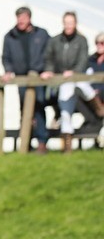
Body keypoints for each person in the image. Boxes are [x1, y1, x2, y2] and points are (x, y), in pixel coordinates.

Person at [41, 11, 100, 152]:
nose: (68, 26)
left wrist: (75, 72)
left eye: (71, 23)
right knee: (65, 107)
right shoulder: (55, 41)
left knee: (82, 86)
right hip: (64, 80)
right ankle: (66, 143)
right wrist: (49, 70)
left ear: (75, 24)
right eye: (66, 23)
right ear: (63, 23)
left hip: (78, 78)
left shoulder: (81, 40)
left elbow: (83, 60)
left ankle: (98, 106)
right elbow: (49, 58)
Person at [2, 6, 52, 152]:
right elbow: (6, 57)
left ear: (29, 18)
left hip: (38, 77)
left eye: (23, 17)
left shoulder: (41, 34)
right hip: (21, 78)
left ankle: (42, 142)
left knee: (39, 107)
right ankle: (26, 141)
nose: (21, 20)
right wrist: (8, 70)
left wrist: (47, 69)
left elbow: (49, 53)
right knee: (24, 110)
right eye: (19, 17)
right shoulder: (10, 36)